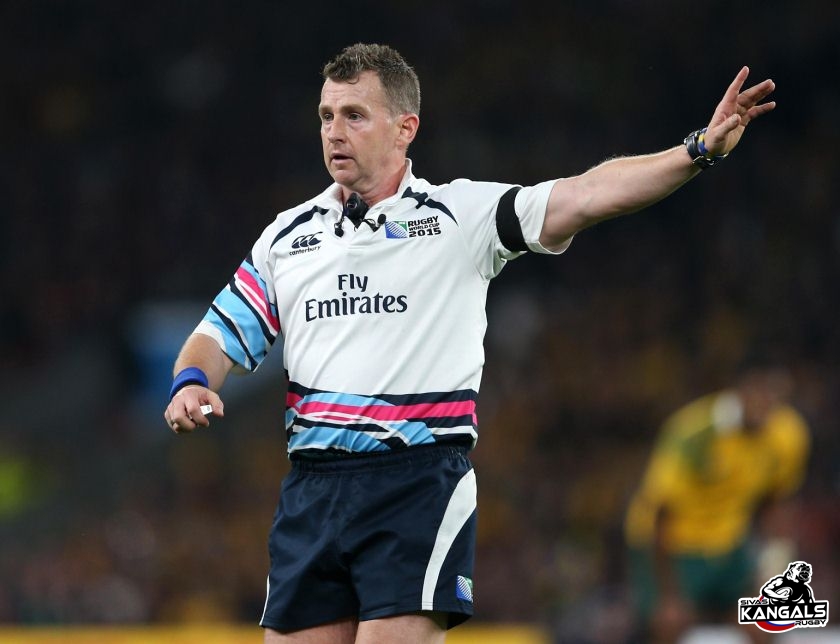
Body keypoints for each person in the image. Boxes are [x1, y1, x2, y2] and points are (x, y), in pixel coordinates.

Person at [162, 42, 776, 644]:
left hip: (415, 482)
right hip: (311, 490)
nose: (334, 132)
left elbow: (587, 193)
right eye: (326, 116)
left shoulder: (459, 217)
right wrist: (191, 383)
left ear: (405, 128)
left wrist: (697, 149)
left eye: (354, 115)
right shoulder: (287, 237)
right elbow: (215, 335)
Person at [623, 362, 810, 643]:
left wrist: (773, 569)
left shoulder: (788, 434)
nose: (765, 403)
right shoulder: (695, 433)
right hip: (674, 545)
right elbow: (662, 512)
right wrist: (670, 596)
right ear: (738, 391)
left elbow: (777, 501)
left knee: (766, 622)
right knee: (670, 625)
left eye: (774, 395)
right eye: (758, 393)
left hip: (728, 542)